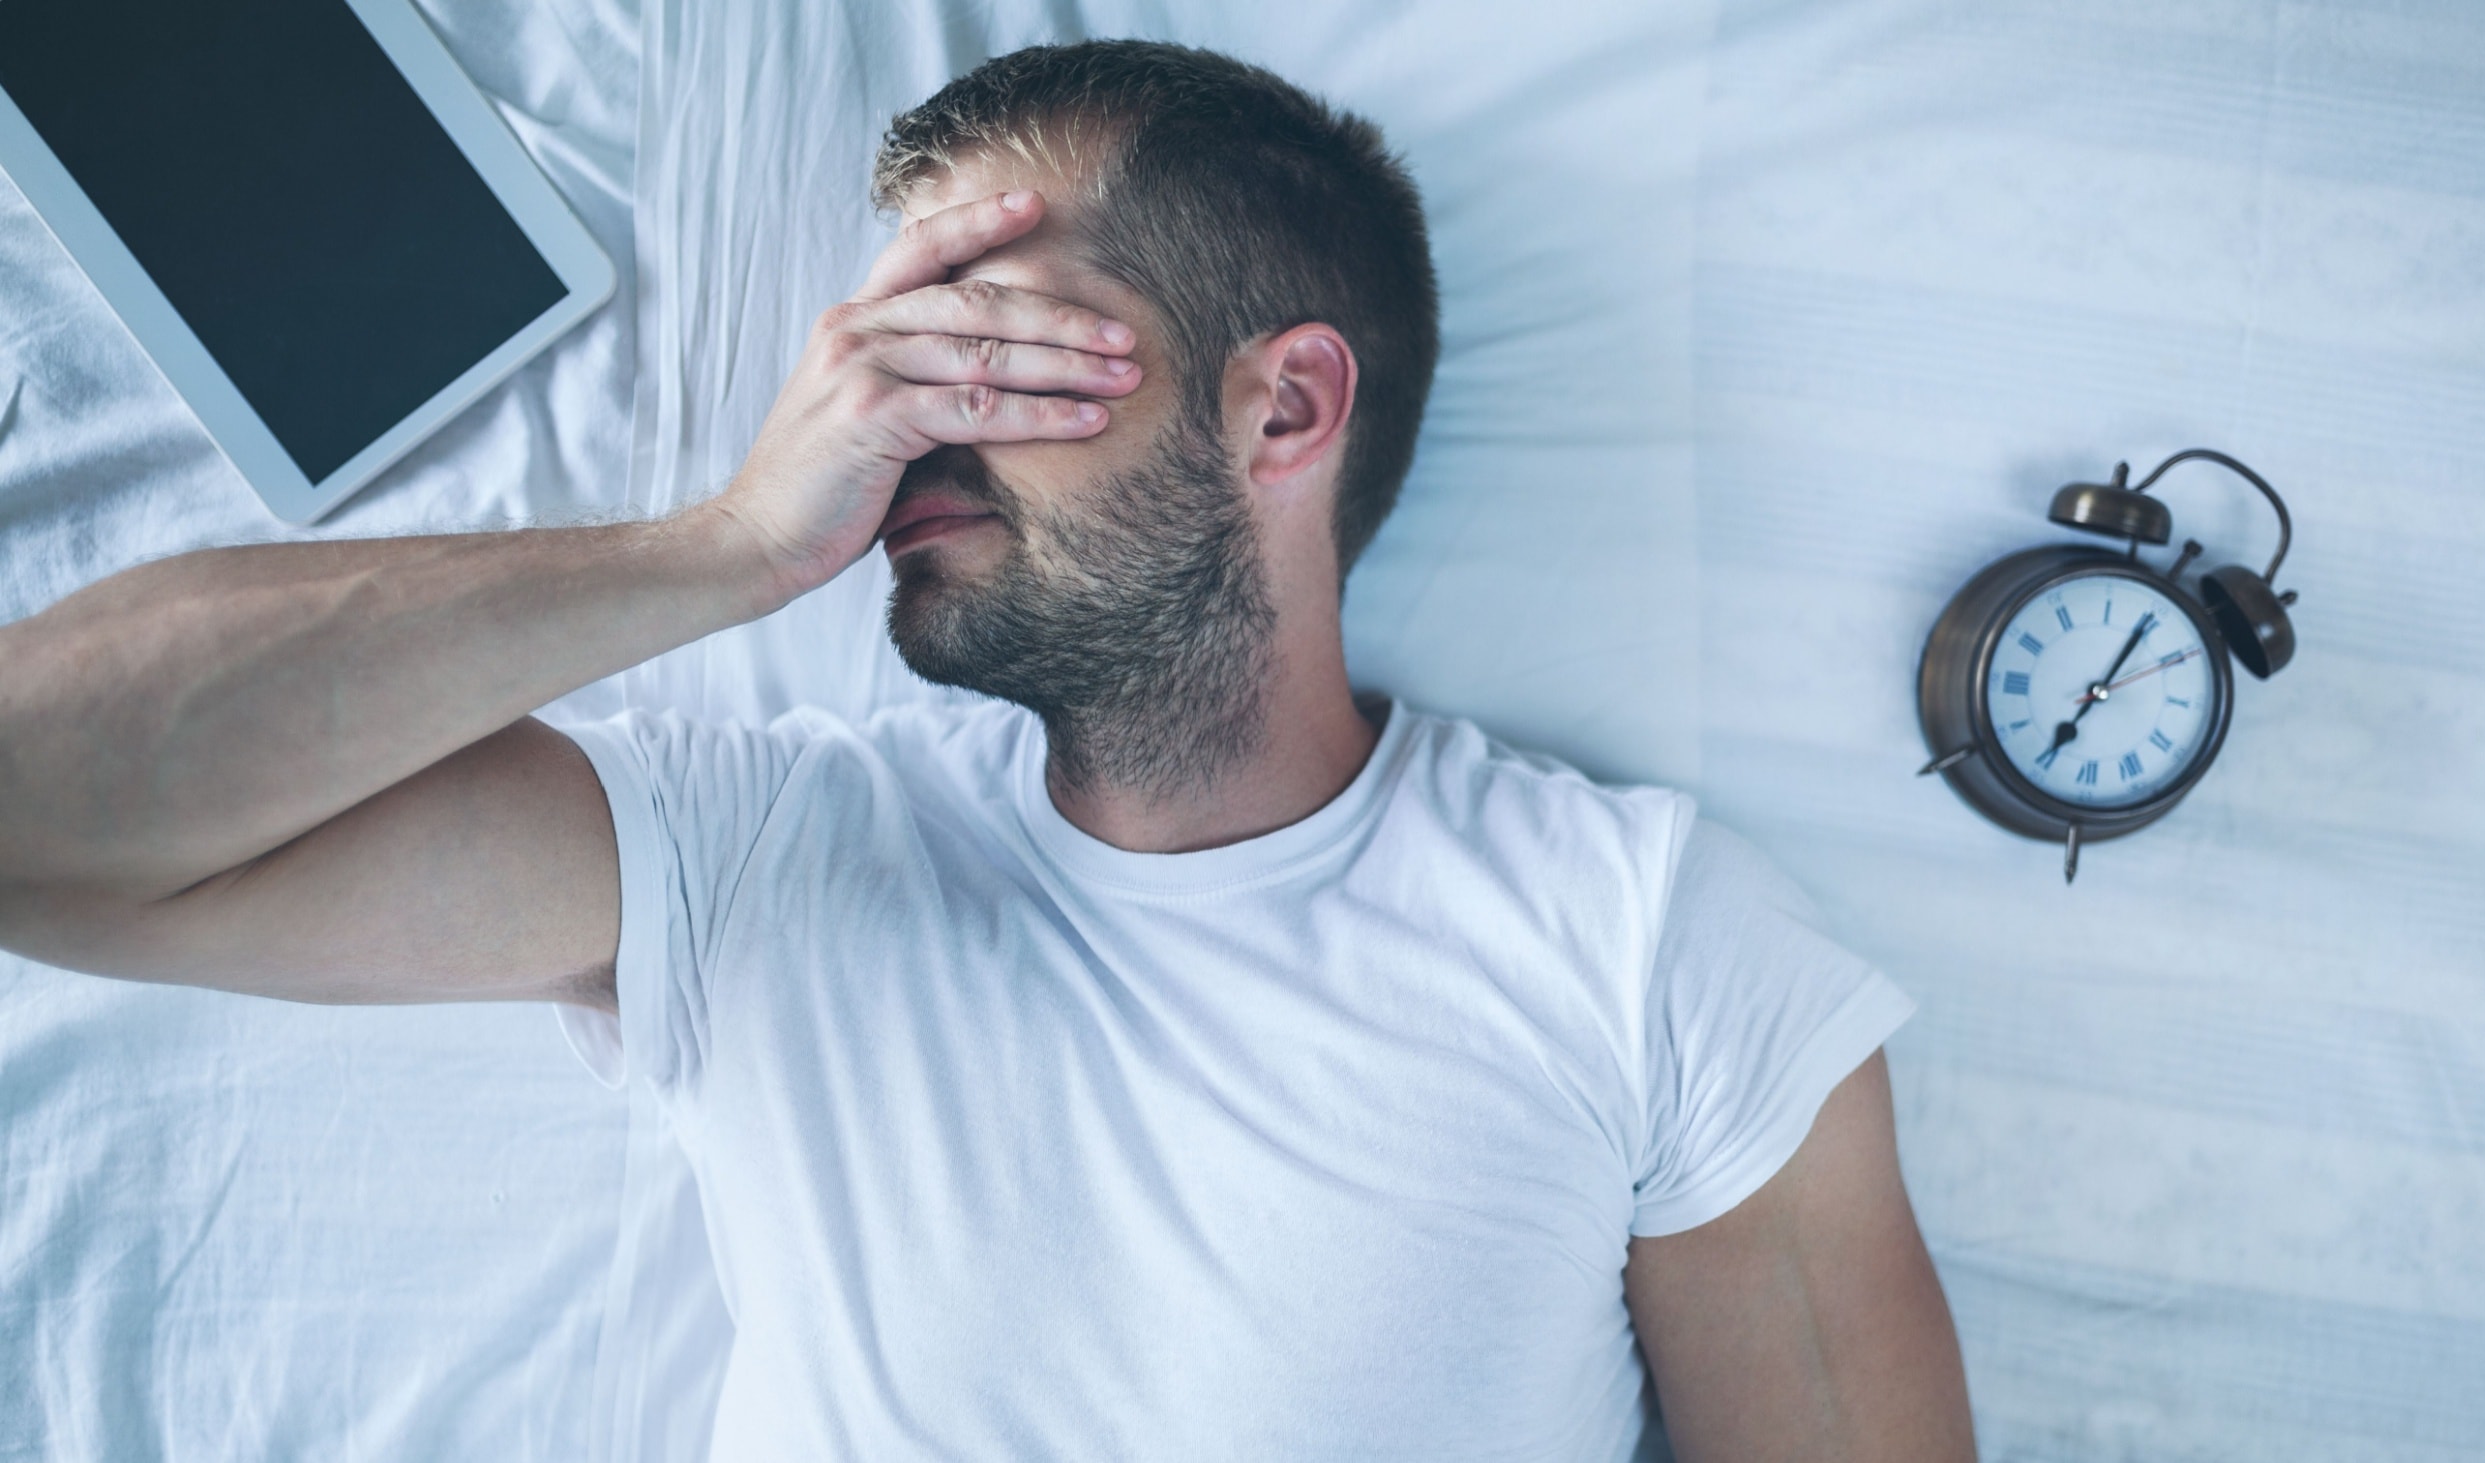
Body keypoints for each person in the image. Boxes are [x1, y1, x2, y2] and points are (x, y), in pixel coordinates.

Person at [0, 39, 1973, 1463]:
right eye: (881, 352)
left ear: (1284, 408)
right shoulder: (761, 848)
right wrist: (727, 546)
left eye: (984, 347)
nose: (899, 419)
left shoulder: (1641, 933)